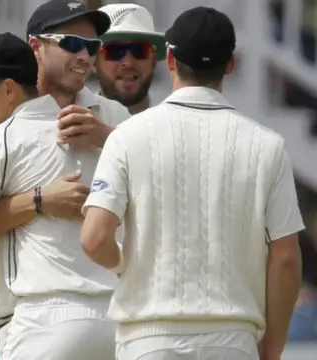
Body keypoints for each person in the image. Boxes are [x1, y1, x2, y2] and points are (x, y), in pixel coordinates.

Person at [80, 7, 304, 360]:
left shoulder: (126, 136)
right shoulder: (268, 146)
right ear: (229, 65)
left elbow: (94, 239)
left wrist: (127, 262)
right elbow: (286, 260)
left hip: (149, 340)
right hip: (233, 340)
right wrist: (272, 346)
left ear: (169, 59)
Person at [0, 1, 132, 359]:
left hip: (103, 313)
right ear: (36, 46)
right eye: (70, 44)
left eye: (92, 46)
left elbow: (159, 193)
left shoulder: (113, 117)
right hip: (45, 317)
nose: (84, 55)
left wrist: (108, 138)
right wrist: (38, 201)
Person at [95, 3, 165, 115]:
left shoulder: (173, 126)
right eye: (114, 51)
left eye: (140, 50)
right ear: (93, 62)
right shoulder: (70, 125)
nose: (128, 63)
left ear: (154, 60)